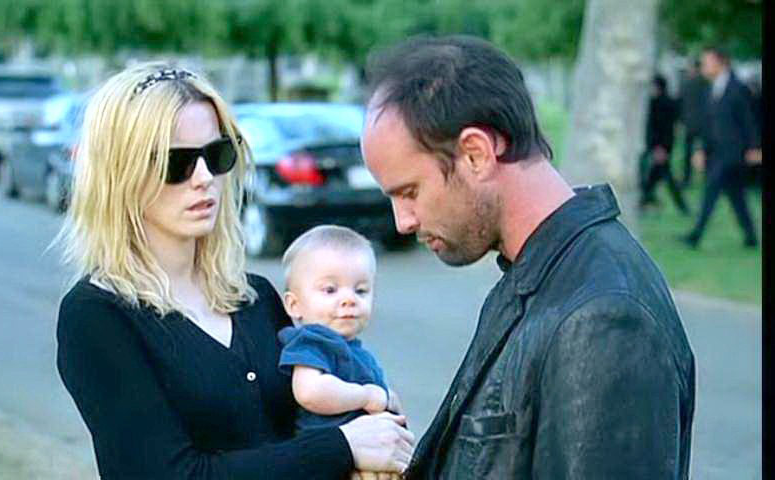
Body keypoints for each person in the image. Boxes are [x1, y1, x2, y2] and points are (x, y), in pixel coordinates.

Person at [53, 62, 414, 479]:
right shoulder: (96, 316)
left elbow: (310, 421)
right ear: (121, 175)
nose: (204, 177)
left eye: (216, 155)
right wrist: (344, 447)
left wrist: (374, 426)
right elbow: (170, 475)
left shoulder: (255, 297)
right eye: (176, 163)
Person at [361, 35, 695, 479]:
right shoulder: (541, 273)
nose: (402, 221)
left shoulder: (602, 317)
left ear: (476, 153)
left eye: (409, 192)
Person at [278, 225, 404, 480]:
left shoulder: (357, 351)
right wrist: (366, 396)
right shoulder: (312, 340)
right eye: (330, 290)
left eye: (360, 290)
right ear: (294, 305)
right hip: (330, 464)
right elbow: (310, 392)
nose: (349, 299)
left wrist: (389, 400)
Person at [681, 46, 760, 249]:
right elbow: (708, 124)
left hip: (733, 152)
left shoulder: (738, 88)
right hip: (716, 152)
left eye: (707, 62)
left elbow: (750, 120)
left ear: (721, 62)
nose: (704, 66)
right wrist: (700, 150)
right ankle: (751, 237)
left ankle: (695, 235)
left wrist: (754, 147)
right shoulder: (710, 89)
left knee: (711, 189)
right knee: (737, 197)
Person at [639, 74, 689, 214]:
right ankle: (645, 200)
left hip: (659, 146)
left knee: (663, 176)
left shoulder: (657, 104)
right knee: (656, 176)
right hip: (665, 145)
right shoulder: (669, 102)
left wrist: (658, 147)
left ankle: (645, 200)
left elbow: (659, 128)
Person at [678, 59, 710, 187]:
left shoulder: (686, 84)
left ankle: (687, 178)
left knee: (688, 152)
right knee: (706, 151)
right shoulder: (706, 84)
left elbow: (681, 104)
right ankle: (708, 178)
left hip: (690, 123)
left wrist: (681, 120)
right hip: (703, 124)